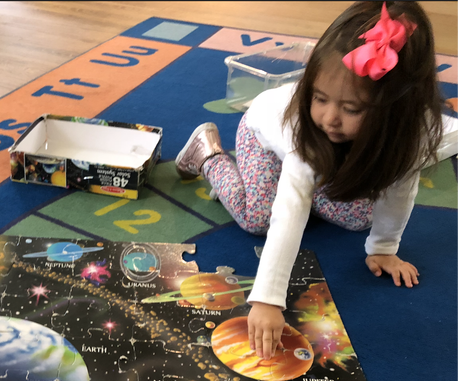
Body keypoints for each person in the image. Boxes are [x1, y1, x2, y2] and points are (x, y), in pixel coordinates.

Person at [176, 1, 456, 361]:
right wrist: (267, 299)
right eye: (319, 98)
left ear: (395, 111)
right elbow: (290, 211)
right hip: (263, 137)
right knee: (257, 217)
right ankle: (208, 155)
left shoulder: (414, 137)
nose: (329, 117)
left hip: (342, 157)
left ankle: (318, 182)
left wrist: (384, 248)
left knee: (359, 219)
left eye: (351, 109)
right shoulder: (304, 130)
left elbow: (401, 188)